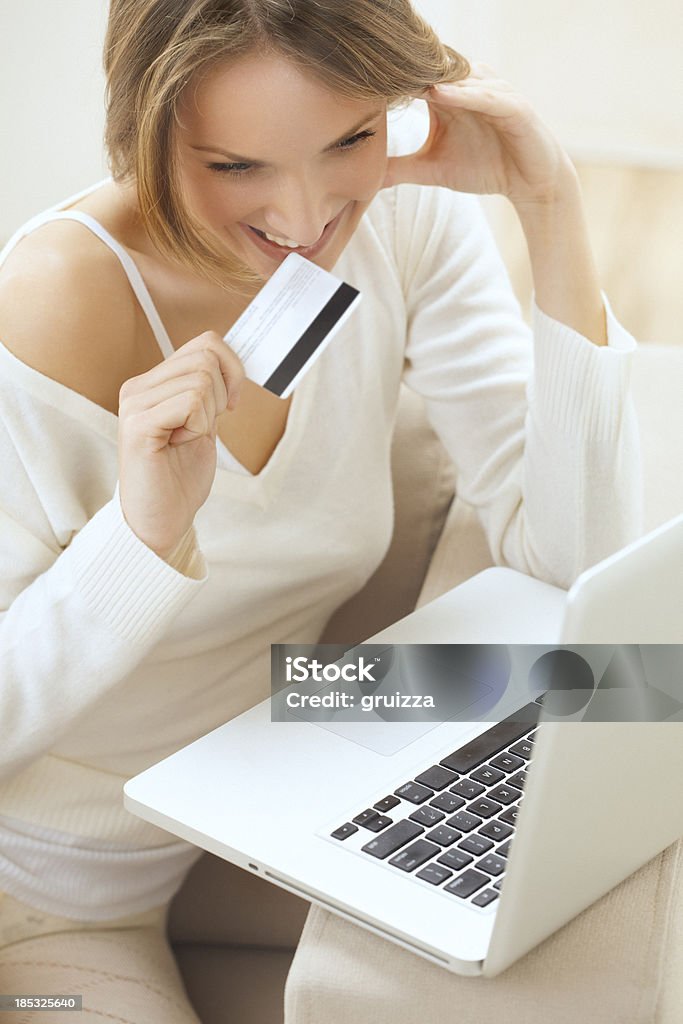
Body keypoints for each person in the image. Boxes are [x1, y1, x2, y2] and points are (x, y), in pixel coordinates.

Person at [0, 0, 645, 1020]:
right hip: (50, 888)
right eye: (233, 166)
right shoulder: (54, 295)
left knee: (639, 694)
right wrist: (140, 537)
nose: (304, 223)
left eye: (348, 139)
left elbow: (569, 553)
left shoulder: (401, 213)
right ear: (144, 129)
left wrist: (546, 207)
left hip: (274, 752)